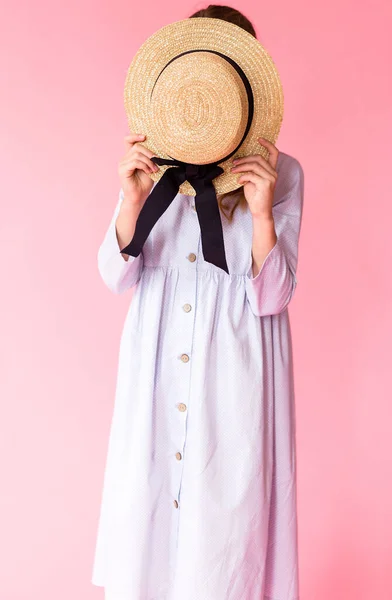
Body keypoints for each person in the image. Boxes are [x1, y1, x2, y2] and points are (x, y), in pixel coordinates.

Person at [91, 5, 305, 600]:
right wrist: (130, 200)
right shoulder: (153, 168)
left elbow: (272, 298)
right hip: (156, 375)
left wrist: (261, 213)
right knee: (151, 527)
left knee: (225, 544)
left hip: (233, 377)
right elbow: (115, 276)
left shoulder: (280, 174)